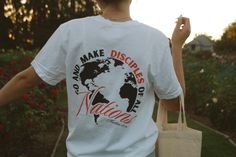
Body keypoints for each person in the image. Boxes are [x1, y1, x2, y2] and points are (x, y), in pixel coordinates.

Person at [0, 0, 191, 156]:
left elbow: (25, 80)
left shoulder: (70, 32)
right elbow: (175, 104)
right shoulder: (154, 39)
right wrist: (176, 46)